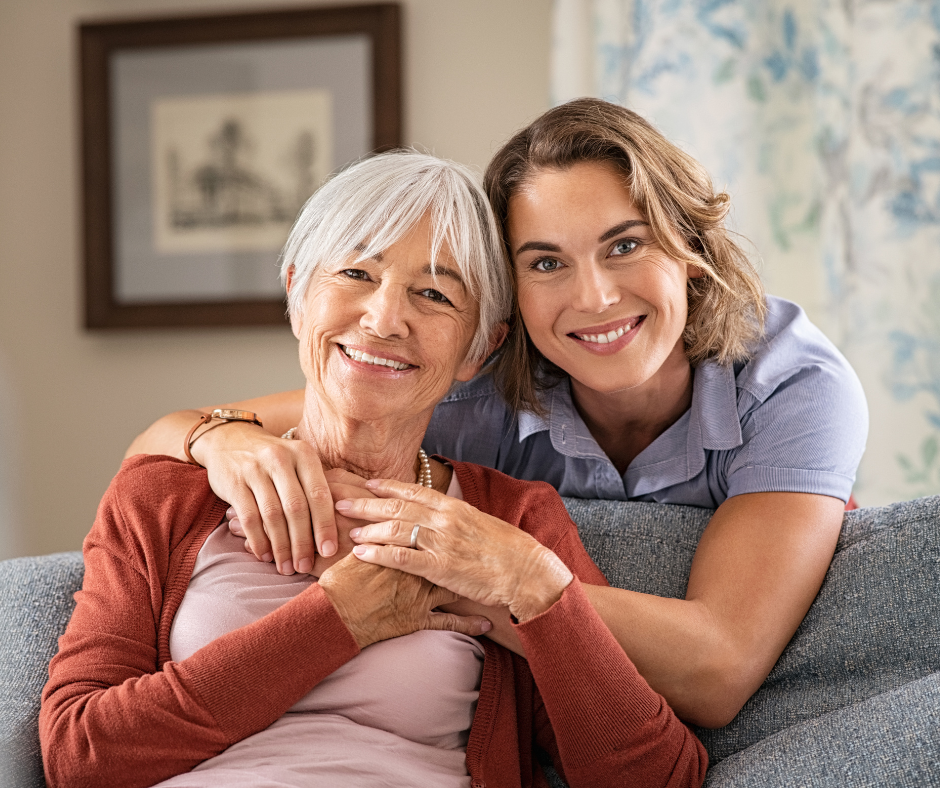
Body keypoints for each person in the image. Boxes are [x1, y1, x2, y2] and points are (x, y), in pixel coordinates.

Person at [127, 99, 868, 729]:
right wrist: (217, 440)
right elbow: (165, 439)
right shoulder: (472, 390)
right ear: (504, 301)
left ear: (692, 251)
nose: (596, 297)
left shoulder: (794, 387)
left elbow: (718, 670)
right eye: (546, 263)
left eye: (625, 245)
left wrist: (508, 572)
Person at [41, 151, 707, 788]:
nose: (386, 317)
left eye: (435, 295)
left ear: (482, 347)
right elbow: (78, 756)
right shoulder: (166, 493)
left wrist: (538, 590)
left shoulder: (510, 524)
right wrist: (340, 619)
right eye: (356, 274)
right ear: (299, 291)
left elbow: (657, 777)